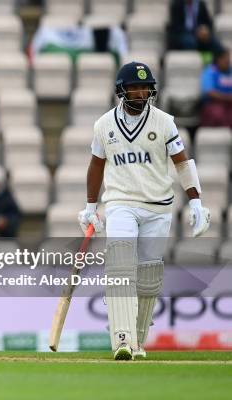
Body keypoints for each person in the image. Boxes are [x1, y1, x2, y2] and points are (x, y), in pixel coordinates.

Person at [80, 61, 210, 360]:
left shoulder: (164, 121)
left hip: (158, 206)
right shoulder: (104, 125)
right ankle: (121, 338)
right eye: (134, 87)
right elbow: (96, 166)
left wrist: (196, 200)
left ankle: (137, 341)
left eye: (144, 87)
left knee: (149, 277)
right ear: (121, 91)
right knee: (120, 264)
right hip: (121, 203)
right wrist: (90, 206)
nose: (140, 93)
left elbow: (182, 162)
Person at [200, 47, 232, 127]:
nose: (227, 60)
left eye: (228, 57)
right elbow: (210, 92)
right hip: (213, 104)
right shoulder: (210, 72)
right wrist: (228, 98)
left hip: (229, 104)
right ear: (218, 59)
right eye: (225, 58)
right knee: (218, 114)